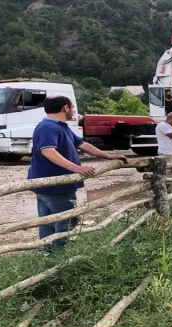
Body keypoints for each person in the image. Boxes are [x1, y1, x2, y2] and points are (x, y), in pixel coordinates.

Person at [28, 96, 127, 254]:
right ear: (65, 108)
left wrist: (109, 156)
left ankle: (49, 254)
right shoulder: (48, 127)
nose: (74, 111)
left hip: (51, 184)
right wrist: (76, 167)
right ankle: (60, 256)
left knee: (48, 220)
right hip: (56, 184)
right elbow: (47, 151)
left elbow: (83, 144)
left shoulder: (61, 126)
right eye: (73, 107)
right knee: (67, 220)